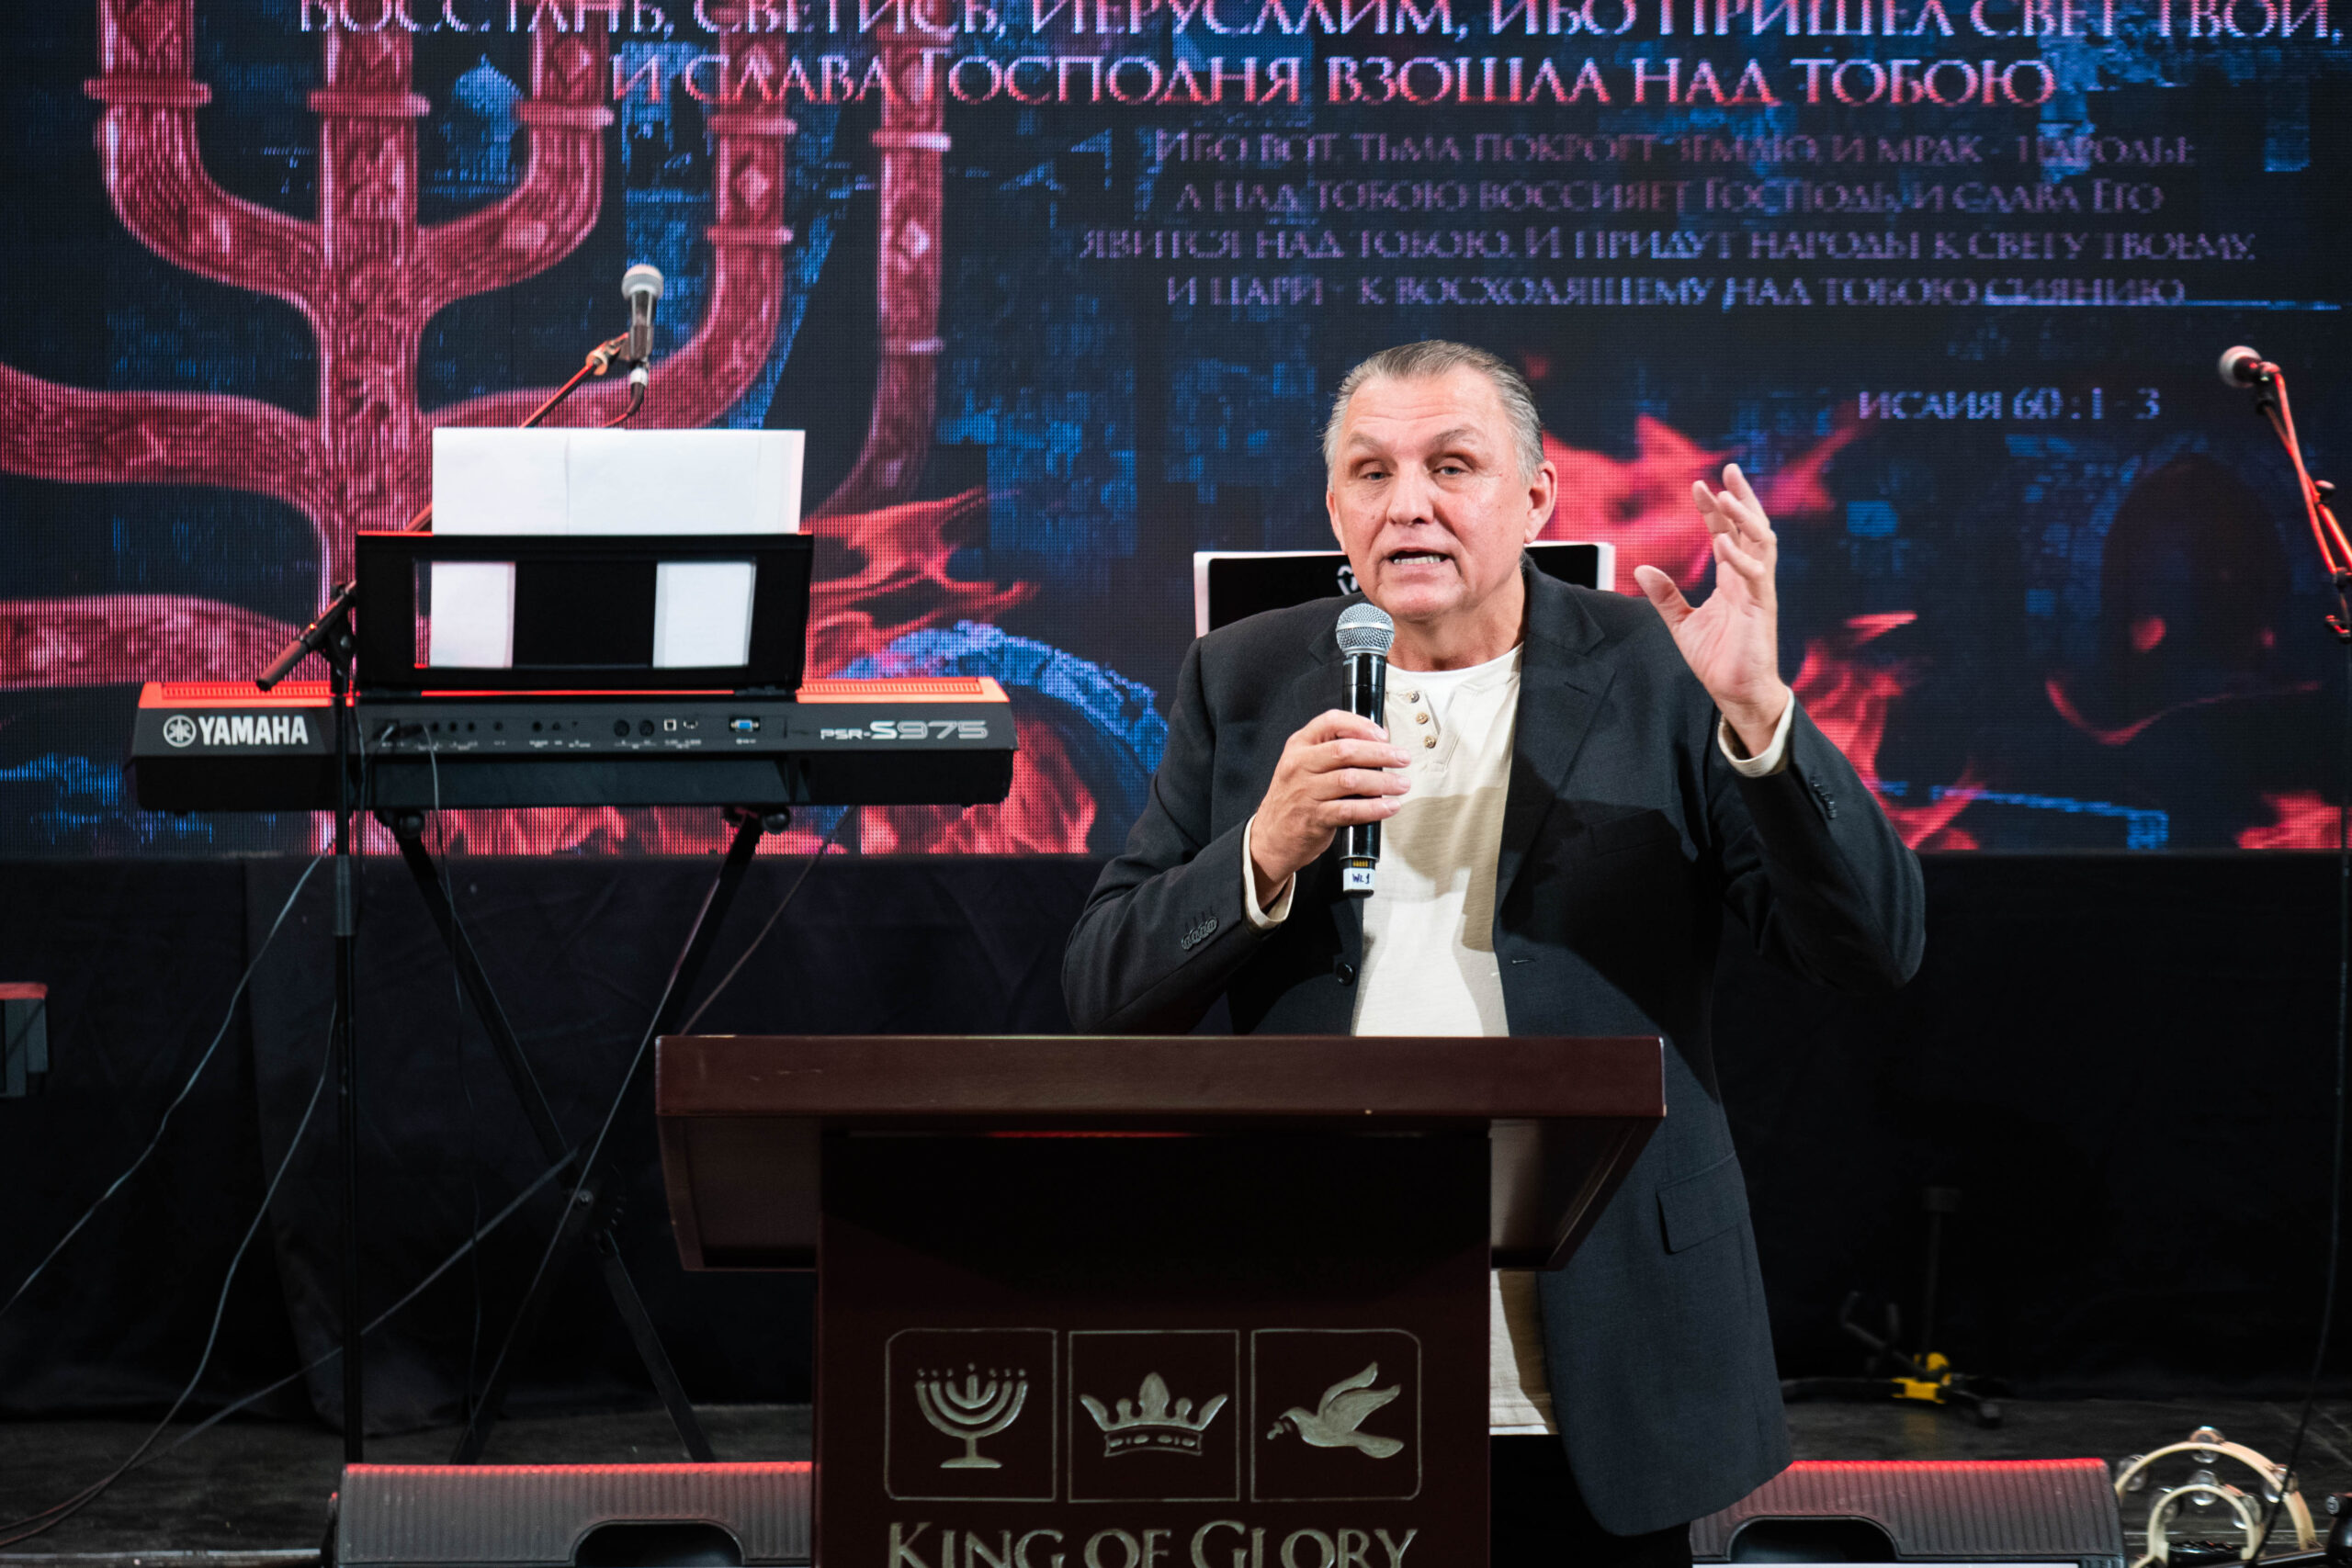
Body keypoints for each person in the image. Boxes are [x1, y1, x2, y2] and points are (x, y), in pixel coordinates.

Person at [1062, 340, 1926, 1566]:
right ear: (1334, 508)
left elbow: (1872, 948)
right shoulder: (1243, 677)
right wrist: (1261, 850)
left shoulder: (1661, 666)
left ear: (1535, 498)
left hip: (1600, 1338)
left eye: (1451, 466)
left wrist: (1758, 713)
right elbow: (1104, 993)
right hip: (1320, 1336)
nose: (1407, 503)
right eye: (1372, 472)